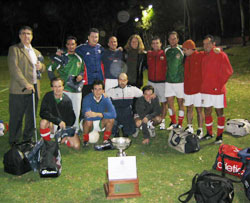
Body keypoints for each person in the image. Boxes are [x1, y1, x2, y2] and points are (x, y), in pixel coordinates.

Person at [8, 25, 45, 145]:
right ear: (19, 36)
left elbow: (42, 68)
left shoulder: (36, 52)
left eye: (28, 34)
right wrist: (26, 84)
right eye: (23, 33)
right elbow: (14, 69)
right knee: (17, 117)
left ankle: (27, 140)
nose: (26, 36)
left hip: (34, 89)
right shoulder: (14, 49)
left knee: (31, 117)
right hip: (20, 89)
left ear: (32, 36)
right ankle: (14, 141)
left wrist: (41, 67)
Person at [200, 35, 233, 144]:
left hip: (217, 90)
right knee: (207, 111)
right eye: (204, 44)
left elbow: (229, 71)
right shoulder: (204, 57)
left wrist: (218, 85)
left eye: (208, 43)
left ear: (213, 44)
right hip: (206, 90)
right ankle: (209, 133)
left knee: (219, 112)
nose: (206, 46)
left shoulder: (221, 55)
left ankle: (219, 136)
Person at [47, 36, 84, 132]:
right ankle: (57, 130)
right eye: (69, 44)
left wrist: (80, 76)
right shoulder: (62, 57)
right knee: (60, 111)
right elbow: (50, 69)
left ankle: (74, 130)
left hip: (76, 90)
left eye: (73, 44)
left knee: (76, 111)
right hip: (64, 90)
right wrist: (54, 84)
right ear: (66, 45)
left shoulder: (79, 58)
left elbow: (83, 71)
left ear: (76, 45)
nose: (71, 46)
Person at [39, 77, 81, 150]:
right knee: (43, 122)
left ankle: (63, 140)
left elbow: (71, 119)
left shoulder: (67, 100)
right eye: (55, 86)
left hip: (62, 127)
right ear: (52, 88)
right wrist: (58, 121)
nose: (57, 89)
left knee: (76, 146)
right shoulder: (48, 96)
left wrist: (63, 133)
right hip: (52, 124)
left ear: (63, 87)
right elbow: (43, 112)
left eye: (59, 86)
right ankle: (47, 143)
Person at [106, 73, 143, 137]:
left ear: (127, 81)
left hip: (127, 112)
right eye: (120, 80)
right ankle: (117, 128)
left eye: (124, 80)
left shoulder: (132, 89)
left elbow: (142, 94)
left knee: (130, 132)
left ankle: (124, 127)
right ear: (118, 80)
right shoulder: (112, 90)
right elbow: (101, 97)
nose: (122, 82)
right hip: (116, 113)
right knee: (112, 131)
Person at [81, 80, 116, 147]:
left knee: (111, 119)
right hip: (88, 124)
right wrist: (103, 115)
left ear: (103, 91)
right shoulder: (87, 98)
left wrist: (98, 114)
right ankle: (85, 140)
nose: (97, 92)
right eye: (95, 89)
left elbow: (114, 114)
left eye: (100, 89)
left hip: (100, 123)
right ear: (92, 90)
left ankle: (106, 139)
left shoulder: (106, 99)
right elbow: (88, 114)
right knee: (88, 120)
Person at [182, 39, 204, 138]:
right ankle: (189, 126)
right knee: (189, 108)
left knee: (199, 109)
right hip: (188, 89)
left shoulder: (200, 56)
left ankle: (200, 129)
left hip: (198, 89)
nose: (183, 52)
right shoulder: (186, 58)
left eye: (185, 49)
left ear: (191, 49)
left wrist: (217, 50)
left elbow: (210, 53)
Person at [76, 28, 105, 98]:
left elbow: (109, 54)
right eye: (92, 37)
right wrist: (60, 52)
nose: (94, 39)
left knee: (98, 101)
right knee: (86, 100)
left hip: (98, 81)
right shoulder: (82, 48)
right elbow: (70, 50)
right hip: (87, 80)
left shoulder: (100, 48)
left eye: (96, 37)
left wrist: (118, 49)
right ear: (88, 37)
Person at [165, 31, 185, 130]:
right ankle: (173, 122)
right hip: (168, 81)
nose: (172, 40)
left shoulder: (182, 49)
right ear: (168, 40)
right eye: (170, 39)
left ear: (177, 39)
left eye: (174, 38)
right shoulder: (166, 50)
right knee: (170, 103)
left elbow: (194, 51)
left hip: (180, 81)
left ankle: (180, 123)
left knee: (181, 103)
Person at [147, 36, 168, 130]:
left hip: (162, 82)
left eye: (157, 43)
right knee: (151, 102)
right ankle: (152, 119)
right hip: (151, 82)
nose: (155, 45)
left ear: (161, 44)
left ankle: (162, 121)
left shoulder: (165, 53)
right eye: (154, 43)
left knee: (163, 102)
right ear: (151, 45)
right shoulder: (149, 54)